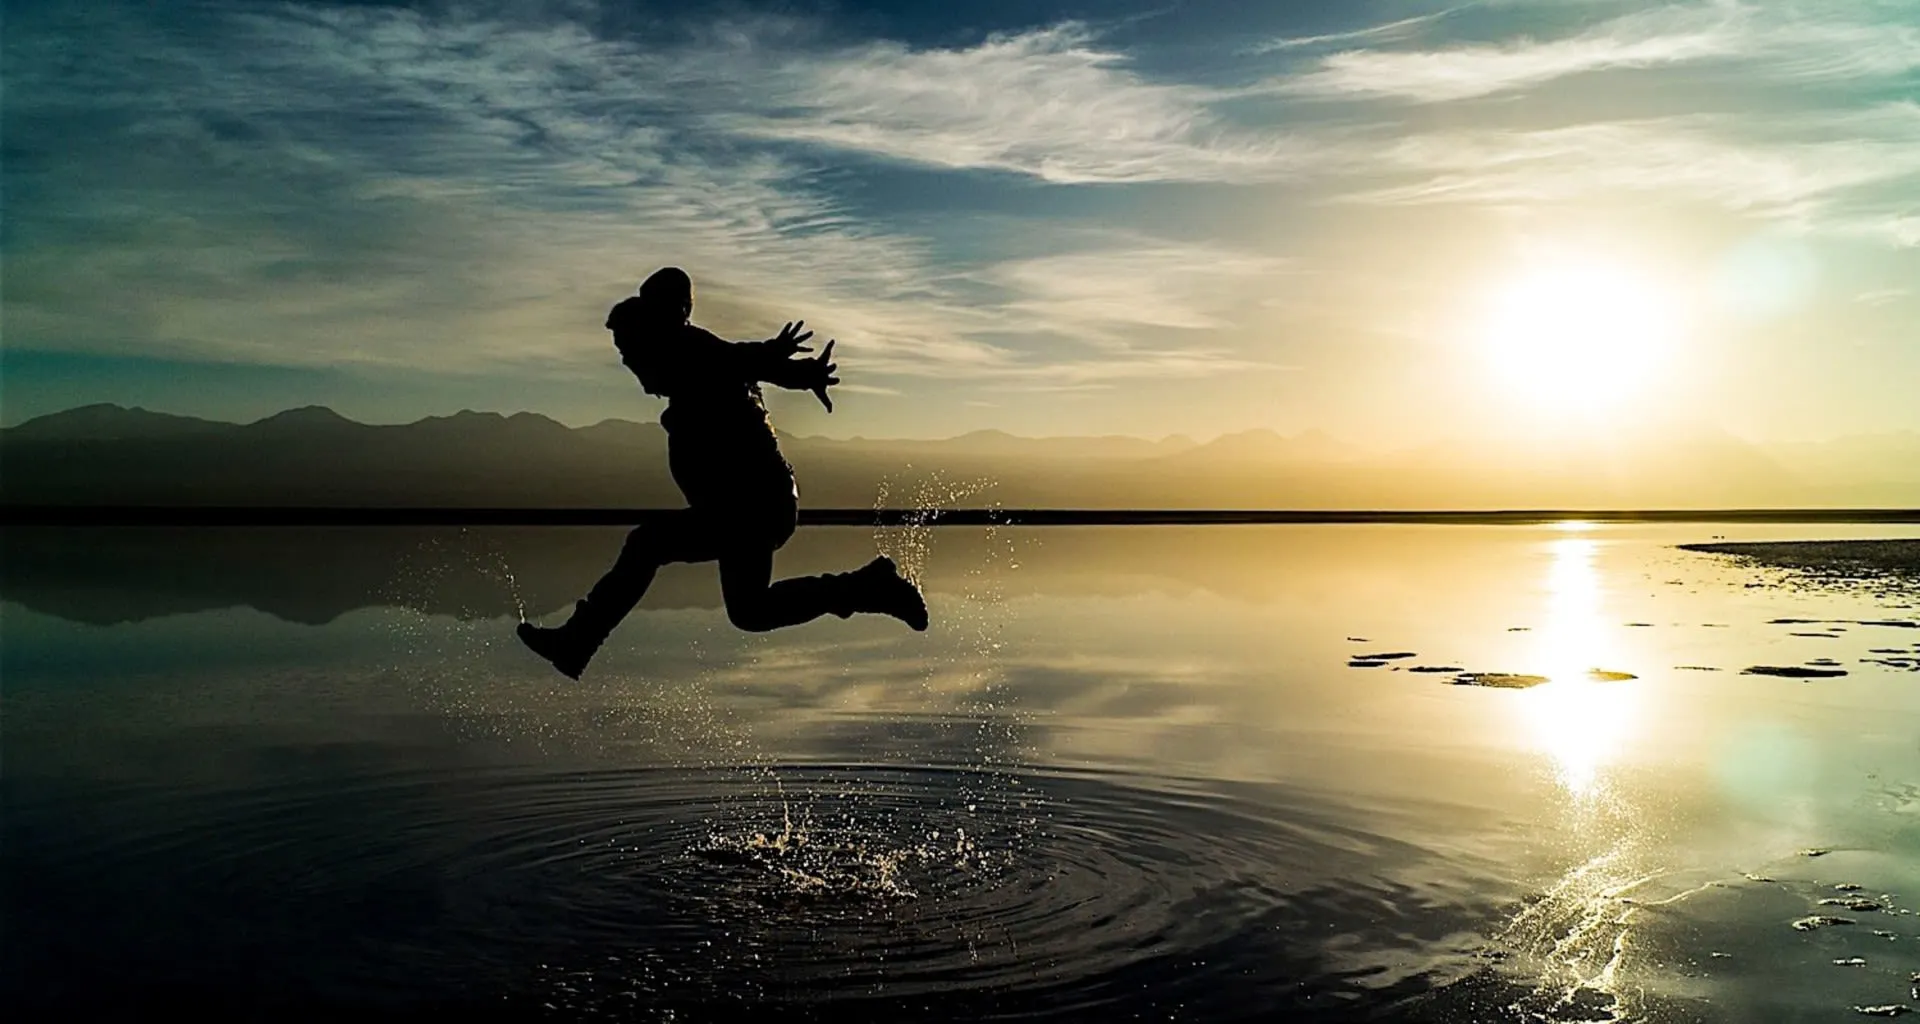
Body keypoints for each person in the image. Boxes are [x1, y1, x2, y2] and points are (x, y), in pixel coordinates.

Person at [517, 266, 928, 680]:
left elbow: (736, 358)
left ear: (661, 329)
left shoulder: (693, 355)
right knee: (750, 611)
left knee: (647, 545)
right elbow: (743, 362)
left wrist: (784, 360)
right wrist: (796, 372)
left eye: (630, 350)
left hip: (753, 508)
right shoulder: (695, 371)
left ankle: (576, 643)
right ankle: (867, 586)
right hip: (747, 510)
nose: (629, 362)